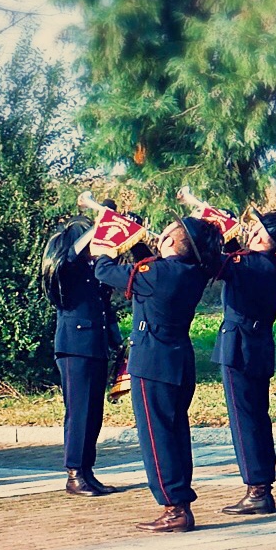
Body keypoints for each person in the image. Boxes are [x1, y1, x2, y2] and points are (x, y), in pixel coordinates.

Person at [94, 217, 223, 532]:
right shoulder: (192, 271)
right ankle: (179, 502)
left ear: (174, 243)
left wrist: (105, 248)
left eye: (166, 234)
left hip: (153, 363)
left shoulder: (158, 274)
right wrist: (135, 241)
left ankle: (173, 507)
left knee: (156, 437)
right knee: (175, 434)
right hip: (177, 361)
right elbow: (147, 269)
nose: (160, 237)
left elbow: (104, 272)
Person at [211, 211, 276, 515]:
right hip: (253, 346)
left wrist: (209, 232)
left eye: (261, 232)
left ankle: (257, 489)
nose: (253, 234)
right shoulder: (269, 265)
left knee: (247, 421)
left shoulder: (256, 264)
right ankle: (260, 485)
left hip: (240, 348)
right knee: (255, 417)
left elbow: (214, 263)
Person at [40, 214, 123, 496]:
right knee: (79, 412)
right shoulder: (65, 269)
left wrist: (116, 341)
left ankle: (87, 471)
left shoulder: (90, 271)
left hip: (95, 346)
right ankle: (74, 473)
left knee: (93, 413)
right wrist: (100, 224)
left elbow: (104, 308)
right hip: (74, 347)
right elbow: (69, 256)